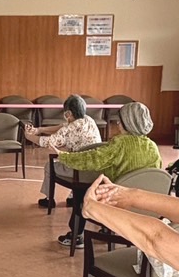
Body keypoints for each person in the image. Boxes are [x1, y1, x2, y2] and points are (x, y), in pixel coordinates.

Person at [47, 100, 162, 248]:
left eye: (120, 121)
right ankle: (107, 229)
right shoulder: (153, 147)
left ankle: (76, 235)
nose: (118, 124)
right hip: (144, 203)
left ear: (128, 123)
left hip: (118, 201)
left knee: (81, 192)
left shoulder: (119, 144)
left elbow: (90, 159)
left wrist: (63, 156)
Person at [23, 94, 101, 209]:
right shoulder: (89, 120)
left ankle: (49, 199)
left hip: (78, 171)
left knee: (49, 166)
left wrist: (29, 136)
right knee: (75, 158)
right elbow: (62, 127)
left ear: (68, 113)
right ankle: (72, 197)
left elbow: (48, 142)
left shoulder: (69, 129)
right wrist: (39, 130)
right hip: (95, 170)